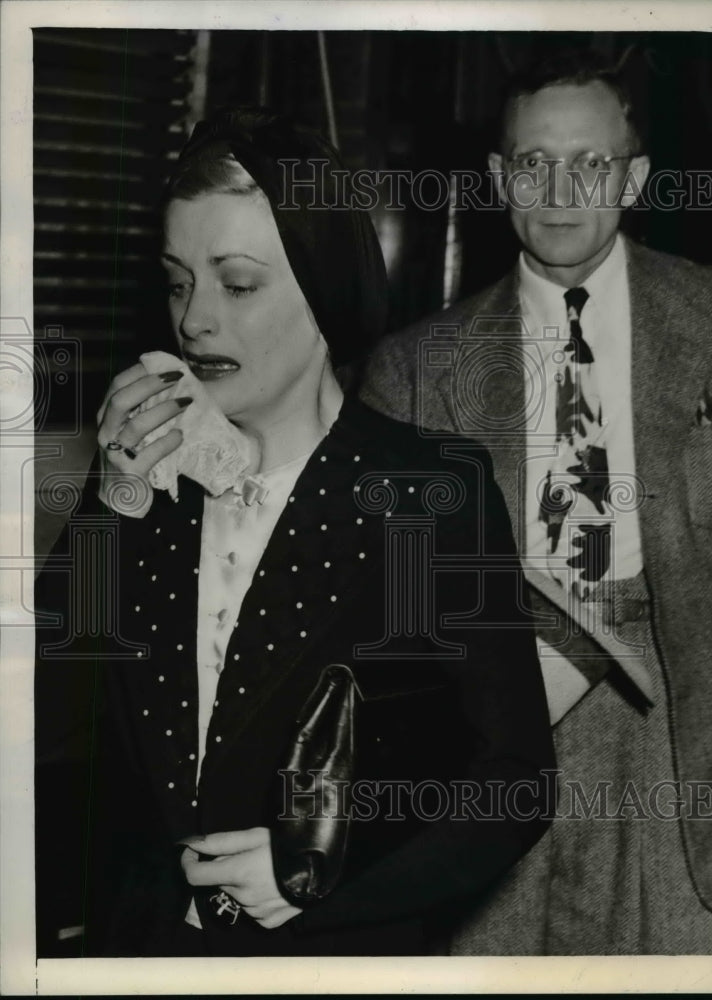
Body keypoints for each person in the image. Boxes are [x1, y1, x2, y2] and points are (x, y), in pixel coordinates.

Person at [34, 106, 555, 958]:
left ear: (324, 288)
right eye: (177, 280)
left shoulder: (424, 495)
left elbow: (510, 785)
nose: (195, 319)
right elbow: (48, 728)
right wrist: (113, 507)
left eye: (235, 283)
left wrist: (317, 868)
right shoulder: (146, 487)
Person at [360, 51, 712, 954]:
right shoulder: (413, 369)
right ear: (497, 178)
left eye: (590, 163)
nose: (559, 188)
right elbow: (386, 624)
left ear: (632, 177)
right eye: (531, 162)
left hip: (688, 778)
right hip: (494, 779)